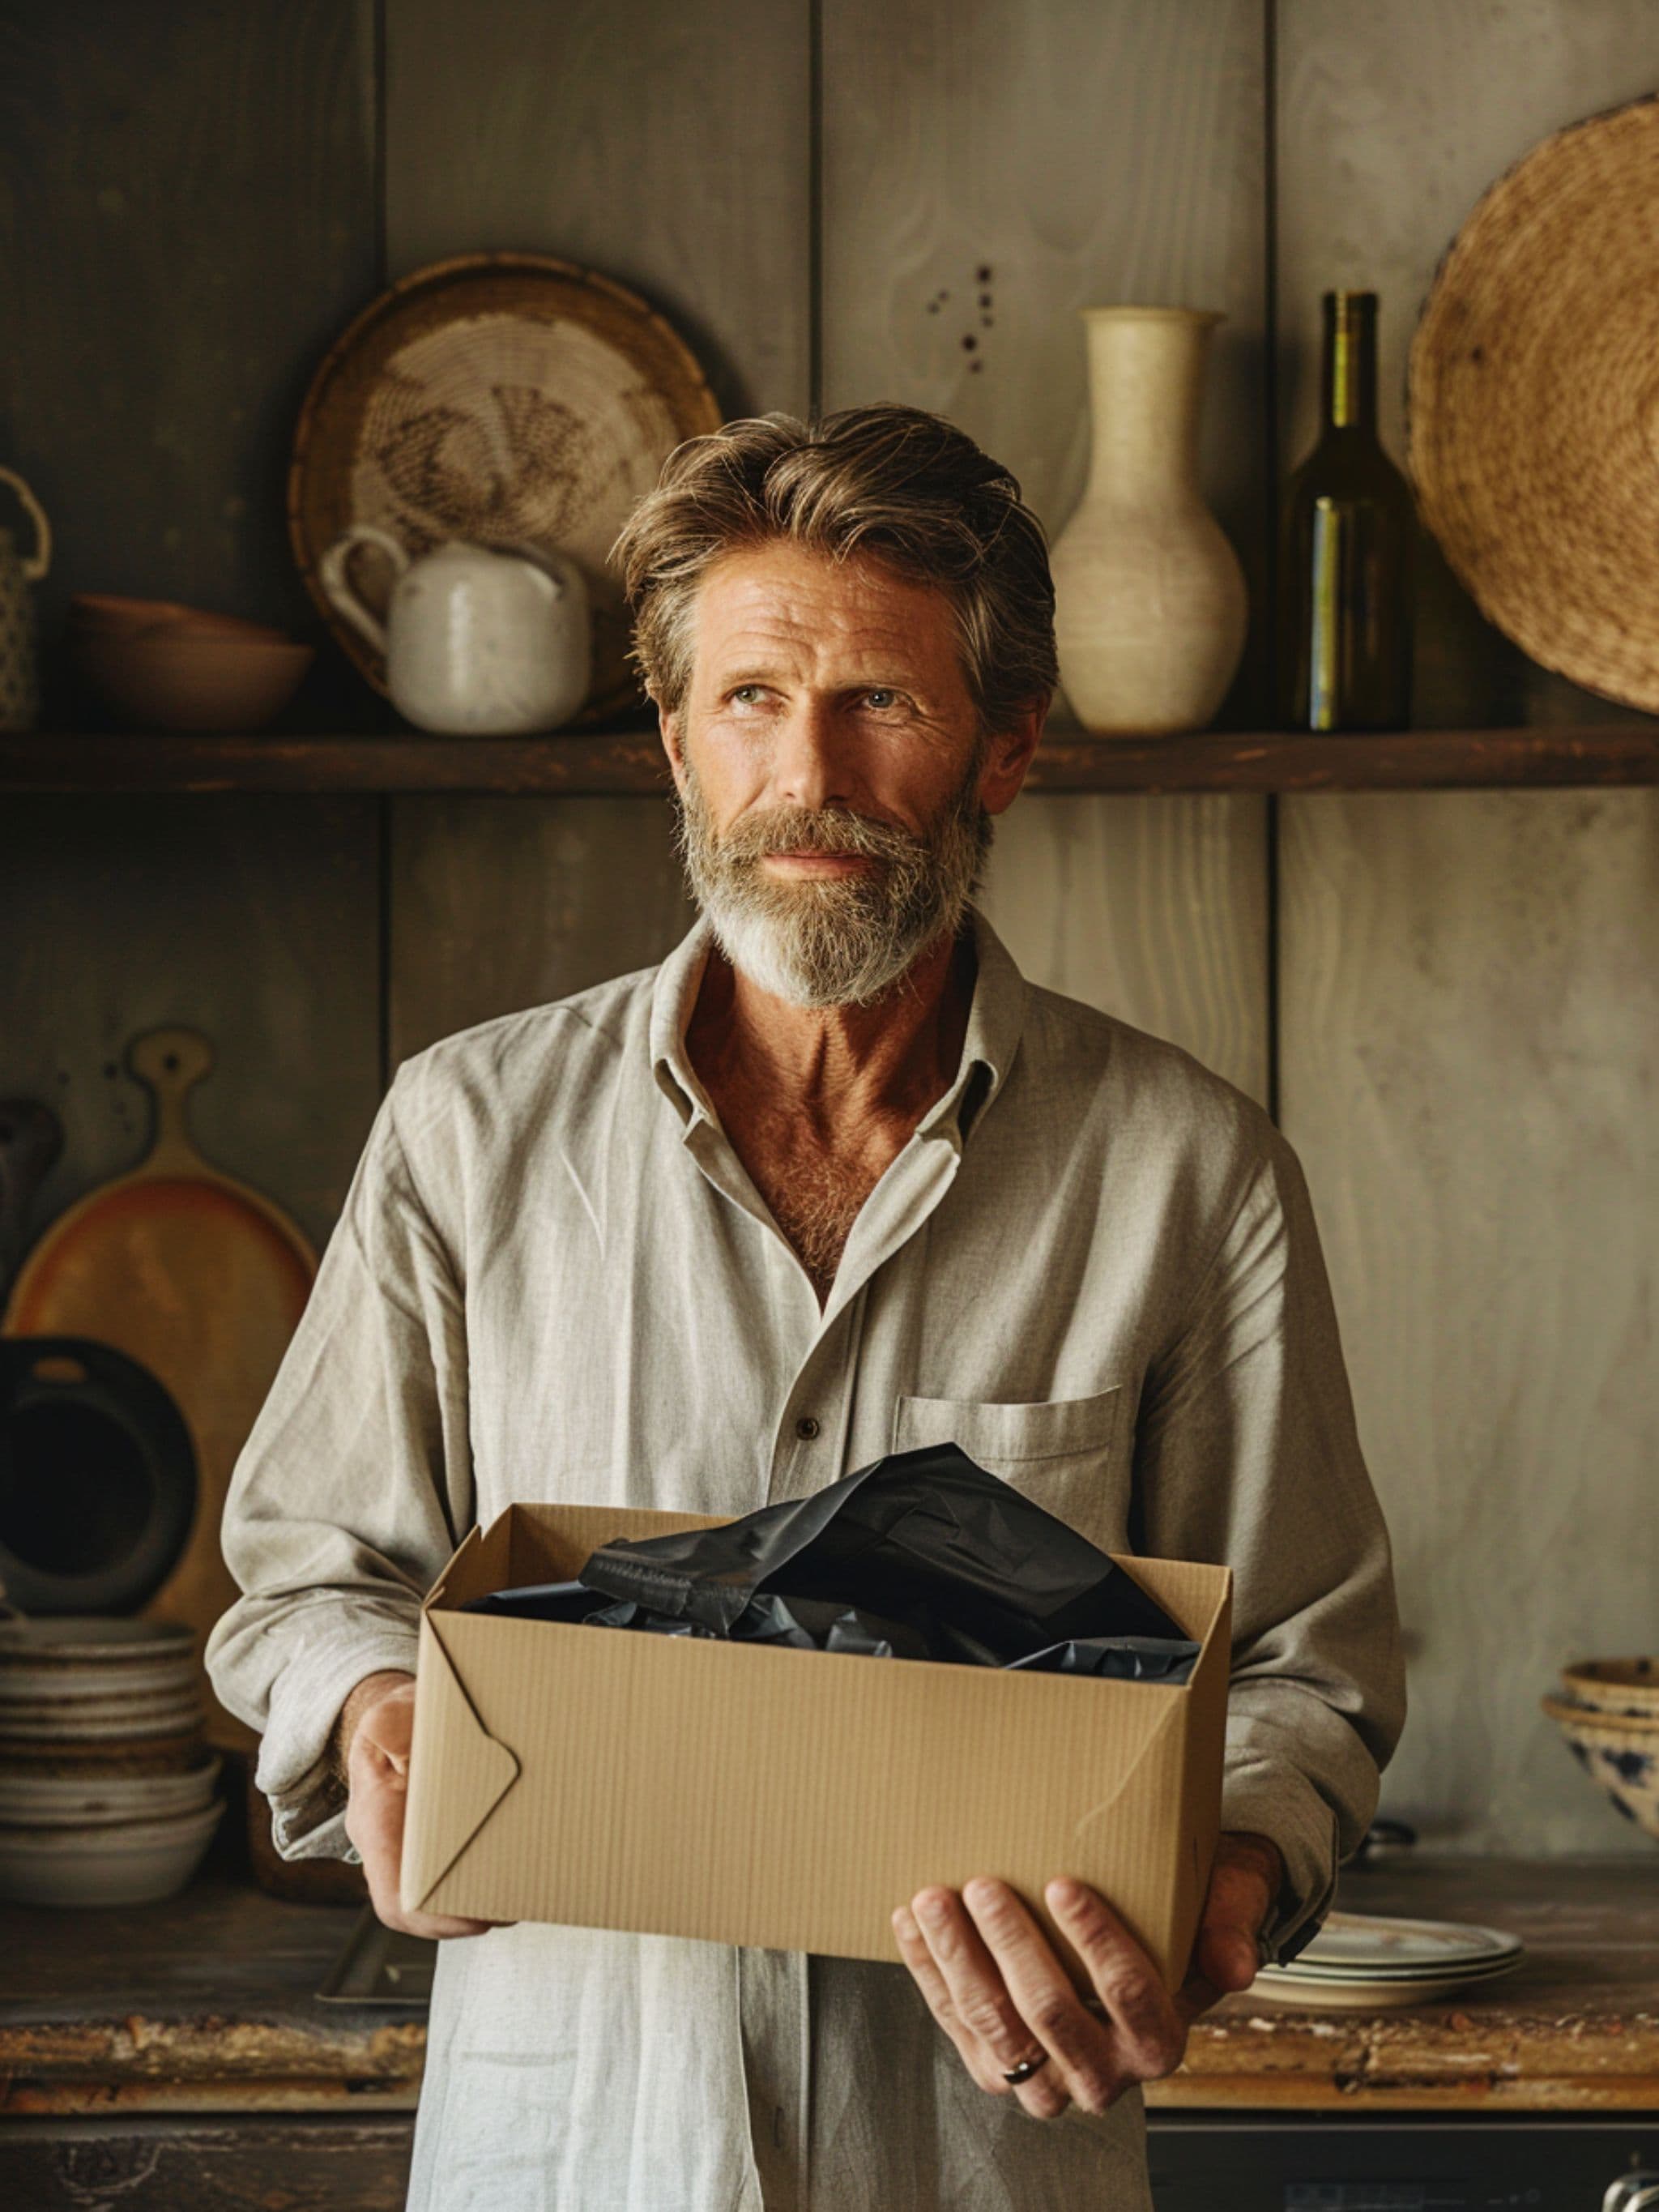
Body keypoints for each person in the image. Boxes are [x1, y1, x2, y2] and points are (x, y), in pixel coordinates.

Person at [207, 402, 1405, 2212]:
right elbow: (308, 1580)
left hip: (985, 2158)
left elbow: (1304, 1669)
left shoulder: (1186, 1169)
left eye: (883, 705)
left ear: (1004, 749)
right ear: (677, 742)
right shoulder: (467, 1132)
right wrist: (380, 1715)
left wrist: (1218, 1880)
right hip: (567, 2156)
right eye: (752, 701)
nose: (810, 776)